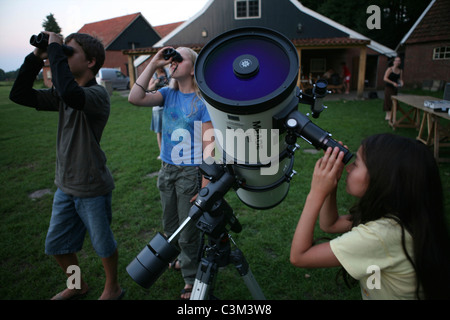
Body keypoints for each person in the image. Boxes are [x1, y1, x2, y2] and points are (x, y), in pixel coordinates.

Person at [9, 32, 124, 300]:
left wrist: (55, 48)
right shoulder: (63, 94)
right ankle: (76, 285)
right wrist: (39, 56)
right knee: (58, 245)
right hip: (64, 186)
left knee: (103, 244)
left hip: (92, 185)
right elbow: (19, 94)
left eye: (69, 52)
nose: (61, 55)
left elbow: (72, 94)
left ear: (91, 62)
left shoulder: (96, 95)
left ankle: (113, 288)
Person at [290, 133, 450, 299]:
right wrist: (331, 187)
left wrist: (316, 194)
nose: (349, 168)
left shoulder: (382, 235)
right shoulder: (402, 215)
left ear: (382, 178)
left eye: (357, 163)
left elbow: (300, 257)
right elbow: (330, 224)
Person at [128, 46, 214, 300]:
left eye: (179, 58)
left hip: (190, 174)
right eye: (171, 58)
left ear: (193, 67)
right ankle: (180, 260)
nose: (172, 62)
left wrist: (205, 185)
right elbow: (135, 97)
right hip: (167, 170)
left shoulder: (201, 102)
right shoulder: (167, 94)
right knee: (170, 225)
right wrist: (154, 64)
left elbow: (210, 146)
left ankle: (190, 278)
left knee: (188, 231)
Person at [150, 67, 170, 159]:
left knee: (170, 129)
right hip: (157, 108)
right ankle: (161, 153)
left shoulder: (168, 72)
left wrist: (167, 82)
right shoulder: (154, 75)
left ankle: (169, 151)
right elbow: (149, 88)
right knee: (159, 131)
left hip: (168, 105)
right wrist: (156, 82)